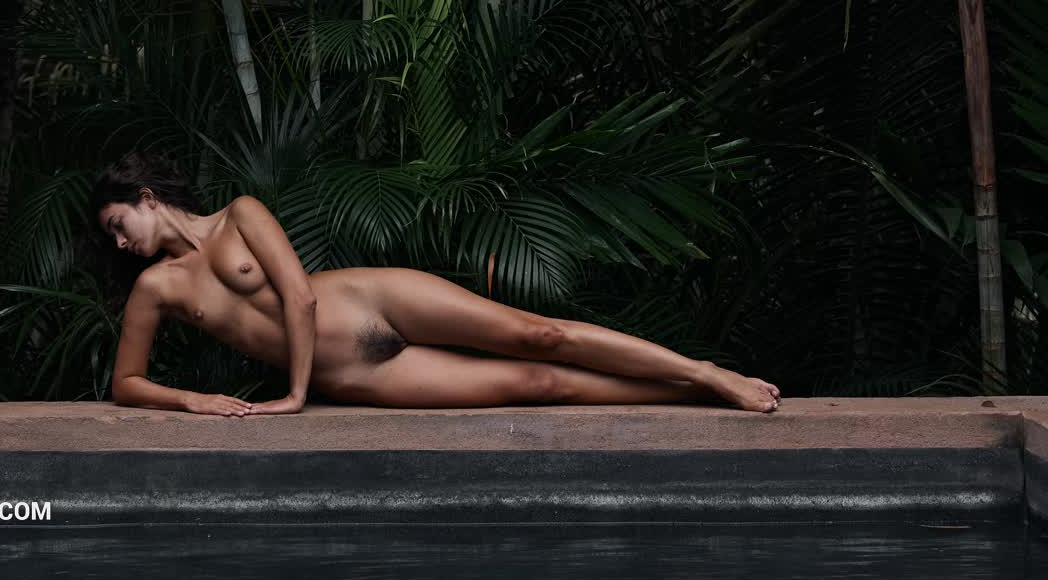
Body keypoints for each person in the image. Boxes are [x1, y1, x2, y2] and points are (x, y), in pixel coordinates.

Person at [90, 151, 781, 416]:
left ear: (147, 198)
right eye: (113, 238)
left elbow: (300, 294)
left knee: (539, 335)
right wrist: (193, 400)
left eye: (119, 224)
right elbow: (126, 384)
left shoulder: (241, 214)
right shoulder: (158, 288)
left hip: (372, 299)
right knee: (538, 384)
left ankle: (706, 372)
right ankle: (688, 395)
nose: (121, 243)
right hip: (355, 375)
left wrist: (295, 396)